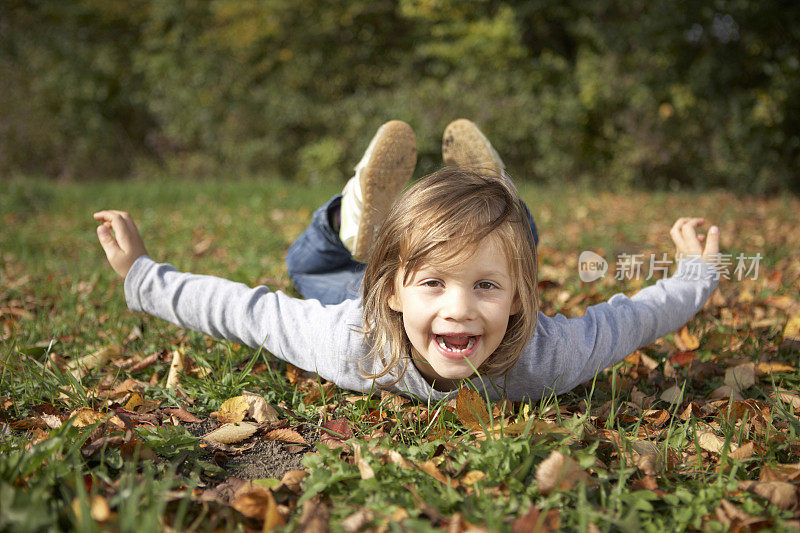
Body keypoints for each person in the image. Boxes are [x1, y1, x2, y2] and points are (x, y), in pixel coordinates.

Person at [94, 120, 720, 401]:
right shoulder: (353, 343)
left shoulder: (545, 358)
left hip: (428, 271)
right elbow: (248, 313)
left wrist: (694, 276)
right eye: (436, 284)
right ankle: (352, 220)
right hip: (360, 289)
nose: (461, 310)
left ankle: (495, 204)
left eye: (486, 287)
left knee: (501, 242)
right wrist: (147, 278)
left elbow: (633, 320)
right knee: (307, 269)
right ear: (390, 289)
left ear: (521, 300)